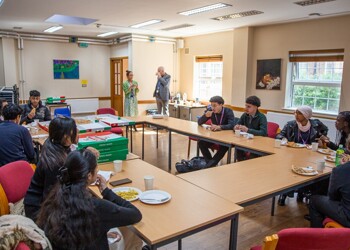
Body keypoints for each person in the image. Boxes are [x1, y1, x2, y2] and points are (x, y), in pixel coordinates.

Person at [36, 149, 142, 250]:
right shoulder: (97, 207)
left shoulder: (54, 198)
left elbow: (73, 231)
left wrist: (100, 233)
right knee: (132, 235)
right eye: (96, 168)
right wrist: (106, 191)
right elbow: (135, 214)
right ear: (89, 175)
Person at [24, 117, 79, 220]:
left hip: (45, 201)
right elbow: (52, 198)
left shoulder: (53, 144)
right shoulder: (55, 163)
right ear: (65, 136)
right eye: (74, 129)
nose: (77, 132)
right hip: (40, 211)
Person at [276, 105, 329, 206]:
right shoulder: (290, 124)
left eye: (299, 113)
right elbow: (279, 135)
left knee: (307, 172)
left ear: (306, 115)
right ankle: (285, 194)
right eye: (295, 112)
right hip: (292, 154)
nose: (296, 115)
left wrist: (322, 140)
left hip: (310, 155)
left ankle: (302, 192)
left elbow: (325, 131)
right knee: (290, 173)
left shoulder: (316, 124)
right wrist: (284, 139)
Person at [309, 160, 350, 228]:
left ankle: (317, 237)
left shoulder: (341, 170)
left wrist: (342, 167)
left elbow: (332, 196)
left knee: (314, 200)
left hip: (347, 217)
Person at [197, 96, 235, 168]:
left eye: (215, 105)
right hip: (214, 136)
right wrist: (205, 116)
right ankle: (210, 163)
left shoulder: (228, 111)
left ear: (221, 105)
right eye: (211, 105)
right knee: (201, 142)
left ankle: (210, 165)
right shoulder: (211, 111)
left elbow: (231, 125)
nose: (212, 108)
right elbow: (199, 122)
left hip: (226, 138)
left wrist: (220, 127)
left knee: (224, 147)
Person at [234, 96, 267, 161]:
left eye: (248, 107)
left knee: (253, 156)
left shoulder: (262, 117)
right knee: (238, 149)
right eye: (246, 106)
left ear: (256, 107)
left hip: (258, 143)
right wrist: (236, 127)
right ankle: (241, 166)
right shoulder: (245, 115)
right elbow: (237, 125)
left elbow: (263, 132)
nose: (246, 108)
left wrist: (247, 130)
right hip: (245, 140)